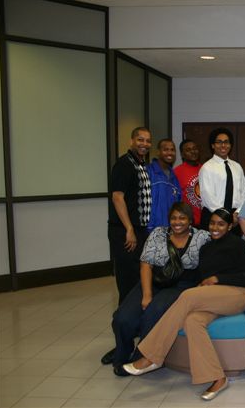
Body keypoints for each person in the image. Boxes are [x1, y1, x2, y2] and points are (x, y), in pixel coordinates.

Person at [122, 208, 245, 401]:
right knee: (192, 321)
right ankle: (218, 378)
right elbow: (202, 275)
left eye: (221, 224)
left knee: (187, 296)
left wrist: (217, 278)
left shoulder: (238, 245)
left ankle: (152, 356)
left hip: (237, 295)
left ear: (229, 226)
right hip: (212, 297)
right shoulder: (206, 248)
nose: (215, 228)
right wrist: (204, 283)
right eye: (212, 223)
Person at [111, 203, 209, 376]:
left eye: (182, 218)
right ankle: (122, 353)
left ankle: (140, 358)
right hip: (154, 280)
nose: (177, 222)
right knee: (122, 317)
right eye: (173, 218)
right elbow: (145, 264)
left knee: (153, 313)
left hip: (181, 285)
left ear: (190, 220)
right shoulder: (157, 234)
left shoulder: (202, 237)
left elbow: (217, 253)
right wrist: (147, 295)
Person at [102, 126, 152, 365]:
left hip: (137, 231)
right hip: (126, 233)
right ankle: (122, 343)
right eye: (140, 139)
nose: (144, 144)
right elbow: (117, 197)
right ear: (131, 140)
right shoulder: (124, 164)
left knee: (136, 284)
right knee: (127, 286)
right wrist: (129, 229)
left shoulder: (140, 164)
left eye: (147, 141)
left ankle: (133, 333)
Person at [198, 127, 245, 230]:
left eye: (226, 142)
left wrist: (237, 213)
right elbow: (208, 197)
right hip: (213, 216)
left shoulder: (237, 167)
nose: (223, 145)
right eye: (219, 142)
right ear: (213, 145)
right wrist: (225, 216)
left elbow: (244, 193)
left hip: (235, 218)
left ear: (230, 145)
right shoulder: (207, 168)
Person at [147, 138, 181, 232]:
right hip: (150, 229)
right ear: (158, 152)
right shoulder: (148, 171)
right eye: (165, 149)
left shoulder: (174, 178)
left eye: (172, 150)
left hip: (170, 230)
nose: (169, 153)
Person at [174, 139, 202, 226]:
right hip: (188, 221)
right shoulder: (177, 172)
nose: (193, 152)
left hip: (206, 220)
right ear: (182, 154)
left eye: (194, 148)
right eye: (188, 150)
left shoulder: (205, 169)